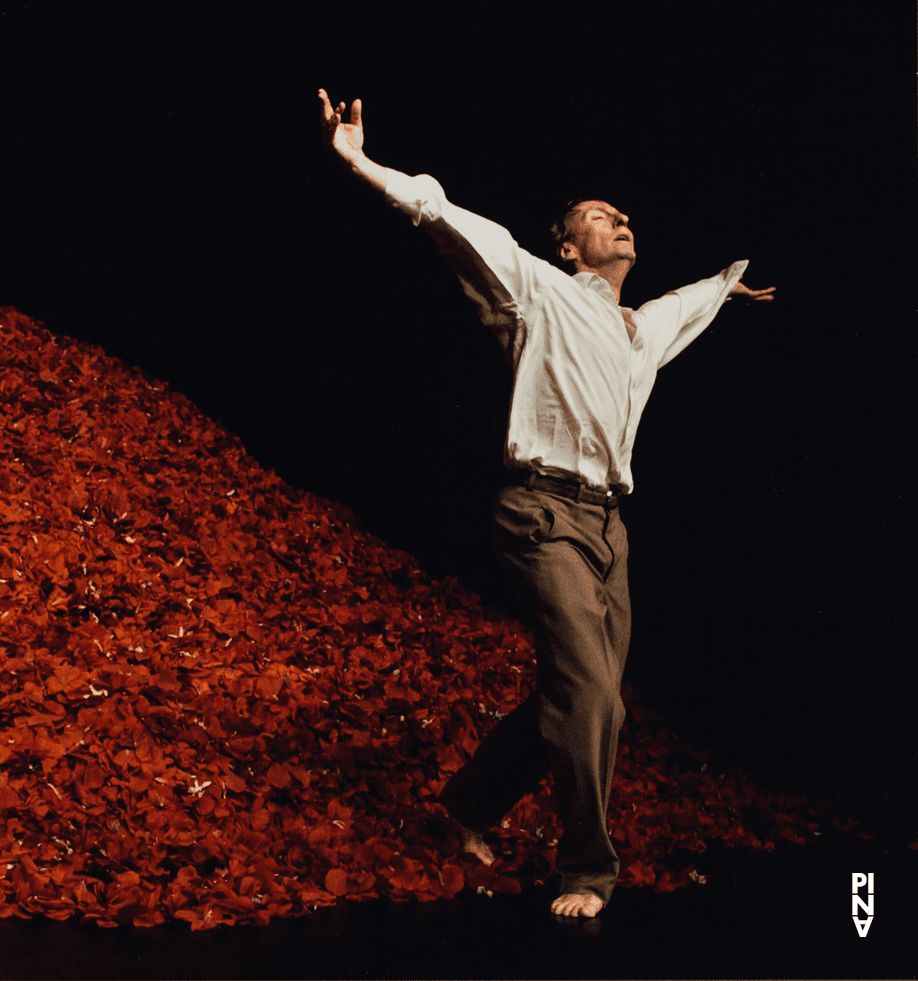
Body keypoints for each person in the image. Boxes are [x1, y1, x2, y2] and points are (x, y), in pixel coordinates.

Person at [316, 89, 775, 918]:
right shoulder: (537, 288)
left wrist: (726, 287)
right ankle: (588, 869)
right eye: (600, 216)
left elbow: (684, 308)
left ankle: (464, 808)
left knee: (592, 695)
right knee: (591, 692)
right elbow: (444, 216)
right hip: (541, 515)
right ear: (568, 247)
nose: (620, 219)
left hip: (608, 528)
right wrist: (360, 162)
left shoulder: (638, 332)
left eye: (622, 214)